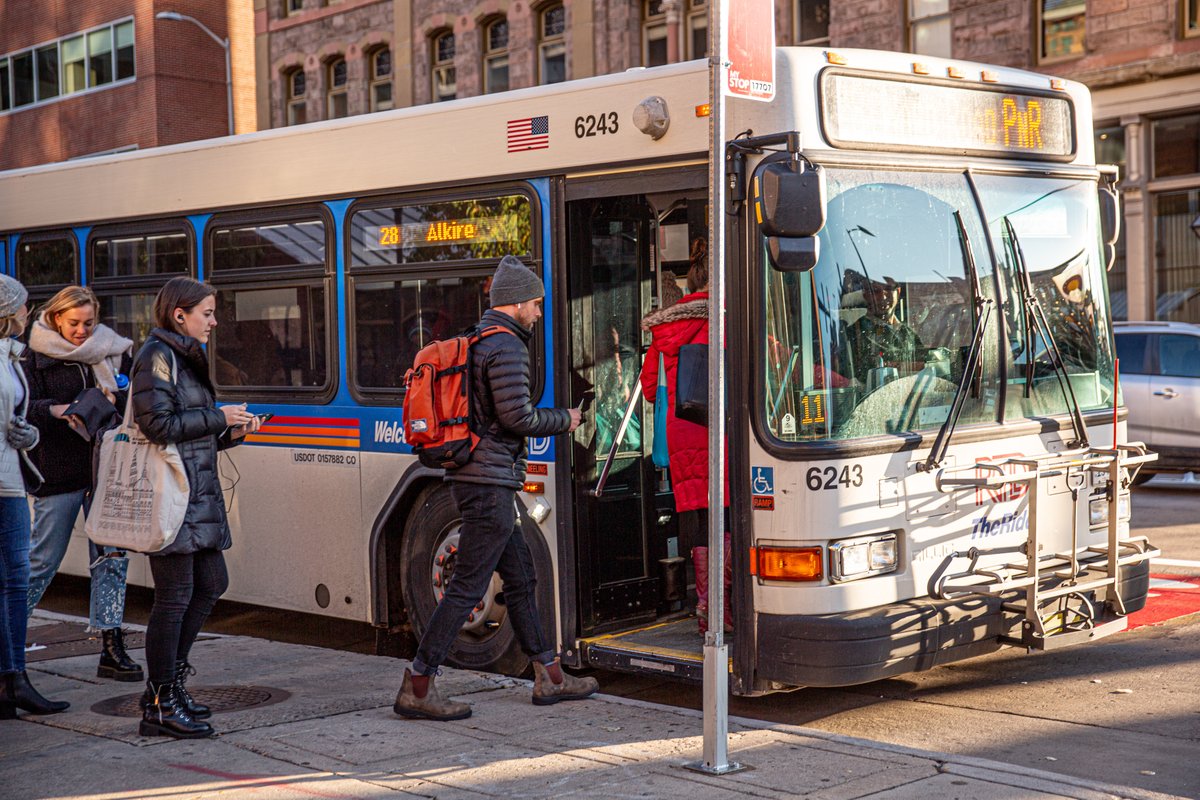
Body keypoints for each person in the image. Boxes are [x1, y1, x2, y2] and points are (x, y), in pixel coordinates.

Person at [394, 255, 597, 721]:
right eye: (537, 305)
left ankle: (550, 677)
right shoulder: (506, 346)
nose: (540, 313)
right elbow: (517, 417)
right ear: (519, 302)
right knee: (467, 586)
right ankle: (418, 685)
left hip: (484, 479)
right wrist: (566, 419)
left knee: (522, 578)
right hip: (486, 483)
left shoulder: (480, 338)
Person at [130, 277, 261, 739]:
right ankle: (161, 703)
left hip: (196, 493)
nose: (214, 320)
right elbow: (157, 425)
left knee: (211, 583)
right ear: (179, 314)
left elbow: (191, 431)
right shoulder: (156, 356)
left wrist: (233, 430)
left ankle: (168, 689)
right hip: (174, 497)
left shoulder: (182, 357)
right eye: (207, 312)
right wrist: (218, 416)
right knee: (175, 597)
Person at [23, 286, 141, 682]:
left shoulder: (112, 350)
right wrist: (56, 410)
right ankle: (8, 642)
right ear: (56, 318)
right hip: (57, 474)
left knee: (111, 561)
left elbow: (132, 405)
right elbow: (21, 409)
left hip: (106, 471)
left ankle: (111, 647)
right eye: (74, 323)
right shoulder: (32, 355)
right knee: (42, 560)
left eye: (89, 323)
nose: (82, 331)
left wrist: (115, 397)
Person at [639, 237, 731, 635]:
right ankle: (728, 608)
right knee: (728, 520)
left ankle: (707, 608)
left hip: (681, 435)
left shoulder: (666, 325)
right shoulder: (729, 317)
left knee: (697, 523)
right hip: (722, 435)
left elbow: (647, 387)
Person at [0, 274, 70, 720]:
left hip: (9, 480)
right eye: (24, 306)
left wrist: (26, 435)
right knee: (11, 579)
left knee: (16, 579)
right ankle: (11, 680)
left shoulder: (10, 357)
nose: (29, 313)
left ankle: (14, 679)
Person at [845, 277, 926, 386]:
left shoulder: (909, 335)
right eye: (876, 291)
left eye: (888, 289)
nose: (882, 297)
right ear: (866, 295)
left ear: (898, 292)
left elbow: (923, 372)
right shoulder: (854, 334)